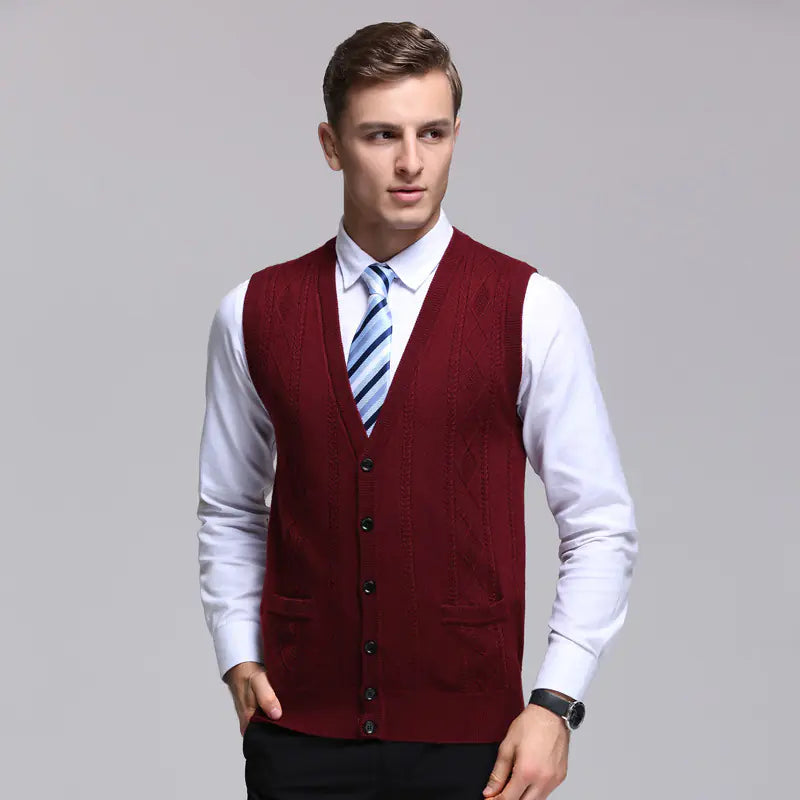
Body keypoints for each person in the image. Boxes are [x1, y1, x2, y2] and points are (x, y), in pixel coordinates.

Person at [196, 20, 639, 800]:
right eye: (381, 135)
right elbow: (230, 506)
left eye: (432, 133)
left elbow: (599, 521)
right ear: (332, 145)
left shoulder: (528, 308)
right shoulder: (254, 311)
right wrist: (237, 651)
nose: (411, 163)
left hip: (474, 744)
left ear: (456, 136)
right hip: (299, 737)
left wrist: (556, 702)